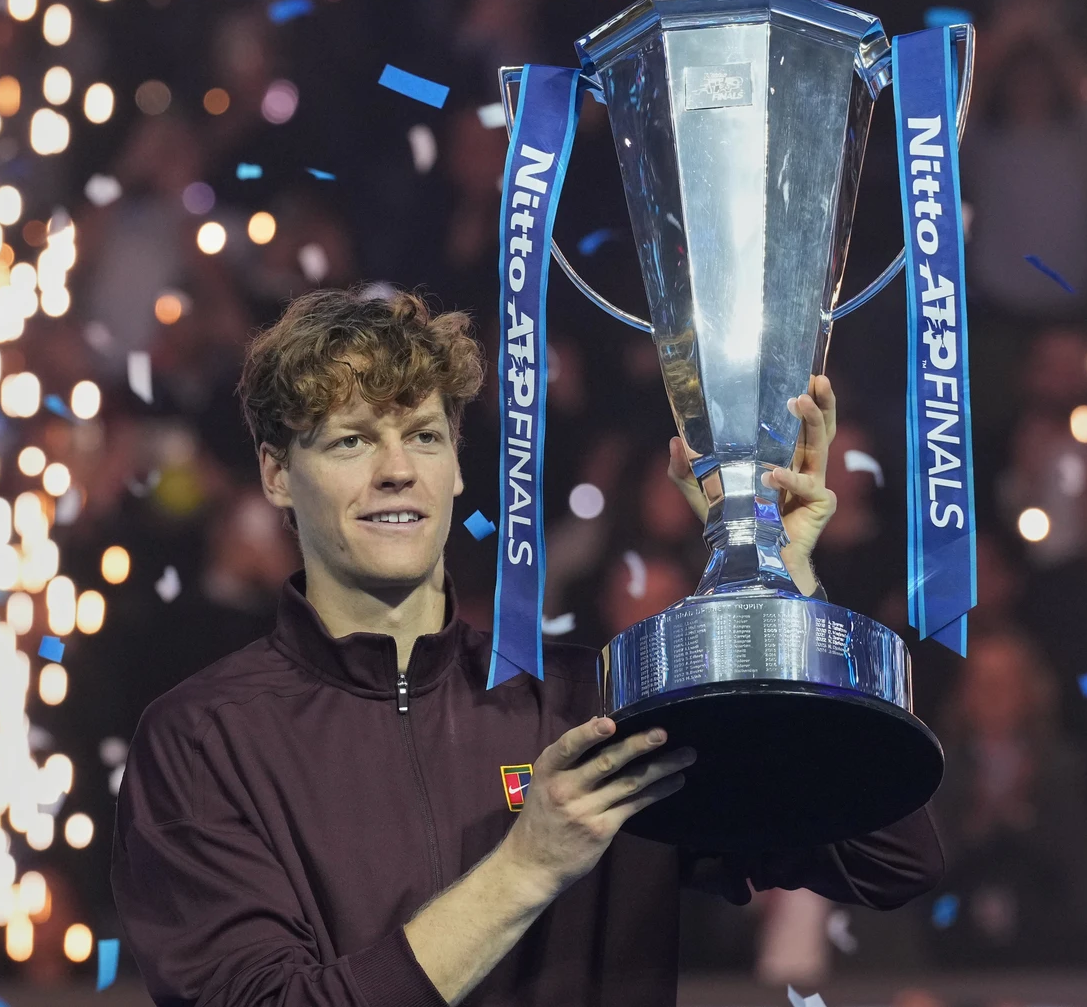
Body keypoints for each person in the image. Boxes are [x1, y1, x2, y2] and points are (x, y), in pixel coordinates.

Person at [112, 287, 944, 1006]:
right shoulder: (203, 740)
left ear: (459, 468)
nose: (397, 470)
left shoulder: (593, 703)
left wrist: (777, 586)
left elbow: (888, 857)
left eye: (424, 436)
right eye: (351, 440)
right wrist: (527, 866)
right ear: (277, 474)